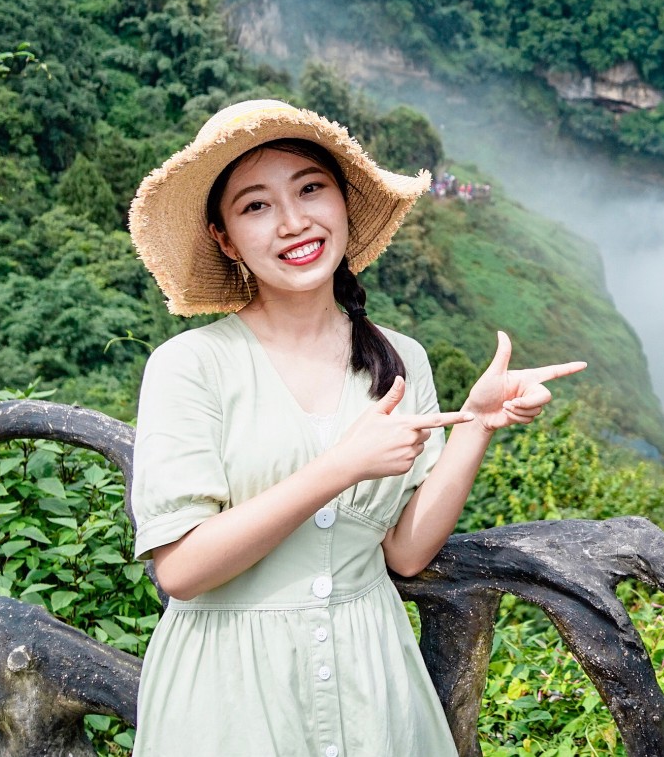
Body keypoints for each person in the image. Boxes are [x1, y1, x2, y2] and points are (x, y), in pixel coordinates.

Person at [123, 98, 587, 755]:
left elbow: (405, 552)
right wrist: (342, 465)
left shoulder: (400, 359)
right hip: (230, 695)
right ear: (225, 237)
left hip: (371, 680)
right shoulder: (190, 366)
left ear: (343, 202)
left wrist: (478, 423)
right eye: (256, 205)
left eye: (311, 189)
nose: (294, 221)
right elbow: (182, 568)